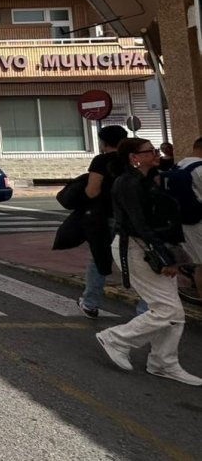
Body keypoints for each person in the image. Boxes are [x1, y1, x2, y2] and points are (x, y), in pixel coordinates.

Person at [95, 137, 201, 385]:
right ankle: (116, 338)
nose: (156, 153)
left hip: (154, 247)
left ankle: (163, 362)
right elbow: (139, 224)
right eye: (150, 151)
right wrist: (164, 257)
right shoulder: (127, 183)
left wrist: (172, 254)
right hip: (139, 248)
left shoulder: (152, 178)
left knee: (172, 310)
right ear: (134, 158)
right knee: (168, 310)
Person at [78, 125, 130, 318]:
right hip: (133, 217)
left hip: (106, 216)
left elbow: (92, 191)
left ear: (103, 142)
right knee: (137, 260)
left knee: (99, 258)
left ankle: (90, 303)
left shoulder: (101, 161)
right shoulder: (133, 159)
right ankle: (146, 307)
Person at [174, 137, 202, 299]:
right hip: (198, 223)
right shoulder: (200, 169)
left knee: (199, 263)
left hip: (185, 222)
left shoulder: (179, 165)